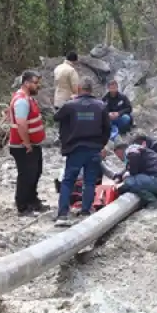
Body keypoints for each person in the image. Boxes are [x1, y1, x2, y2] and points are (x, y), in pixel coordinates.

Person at [53, 78, 111, 226]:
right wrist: (101, 144)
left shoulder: (71, 105)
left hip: (75, 148)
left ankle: (63, 214)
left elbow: (56, 117)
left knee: (68, 181)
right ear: (91, 90)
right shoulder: (101, 106)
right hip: (93, 148)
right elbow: (107, 129)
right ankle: (85, 211)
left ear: (79, 88)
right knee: (90, 181)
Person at [9, 70, 49, 216]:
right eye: (35, 83)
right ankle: (23, 205)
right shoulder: (21, 100)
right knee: (26, 175)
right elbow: (21, 124)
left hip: (31, 144)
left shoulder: (28, 98)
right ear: (26, 83)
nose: (38, 86)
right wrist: (27, 143)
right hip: (22, 146)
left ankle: (33, 200)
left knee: (36, 172)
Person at [112, 142, 157, 209]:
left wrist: (129, 173)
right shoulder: (140, 150)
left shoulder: (131, 152)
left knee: (130, 181)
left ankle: (154, 202)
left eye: (119, 156)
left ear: (123, 150)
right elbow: (128, 167)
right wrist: (119, 176)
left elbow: (133, 163)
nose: (120, 159)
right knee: (137, 180)